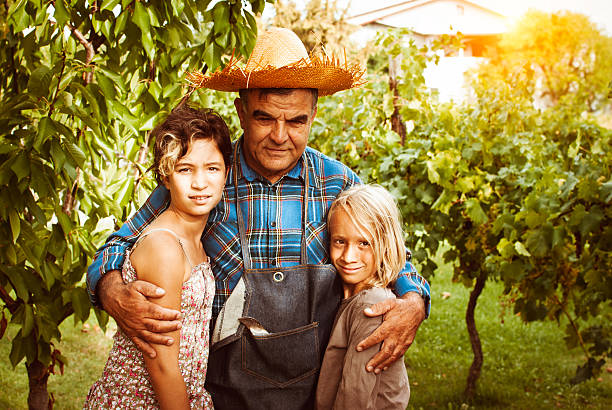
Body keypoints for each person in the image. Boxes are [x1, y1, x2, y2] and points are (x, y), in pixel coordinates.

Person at [86, 27, 431, 409]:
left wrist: (414, 302)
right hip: (222, 393)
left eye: (297, 121)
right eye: (265, 118)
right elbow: (119, 245)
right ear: (241, 112)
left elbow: (392, 256)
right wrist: (113, 292)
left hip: (310, 394)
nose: (280, 136)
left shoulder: (337, 183)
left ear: (314, 114)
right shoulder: (208, 177)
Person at [84, 105, 232, 409]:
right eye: (185, 169)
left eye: (212, 168)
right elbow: (162, 364)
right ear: (166, 178)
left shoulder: (193, 238)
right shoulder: (164, 247)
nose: (200, 183)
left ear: (226, 172)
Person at [315, 185, 411, 410]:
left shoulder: (371, 307)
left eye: (364, 243)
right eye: (340, 241)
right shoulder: (350, 297)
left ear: (386, 245)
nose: (348, 256)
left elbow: (354, 396)